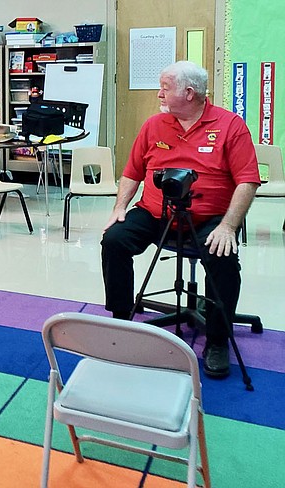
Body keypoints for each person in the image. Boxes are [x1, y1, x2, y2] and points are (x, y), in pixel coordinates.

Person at [101, 61, 261, 379]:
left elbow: (248, 180)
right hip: (155, 213)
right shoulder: (154, 125)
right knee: (114, 239)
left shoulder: (230, 126)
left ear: (189, 93)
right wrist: (120, 207)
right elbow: (132, 172)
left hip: (209, 217)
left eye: (165, 87)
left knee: (223, 256)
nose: (159, 93)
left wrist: (229, 226)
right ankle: (121, 318)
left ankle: (217, 340)